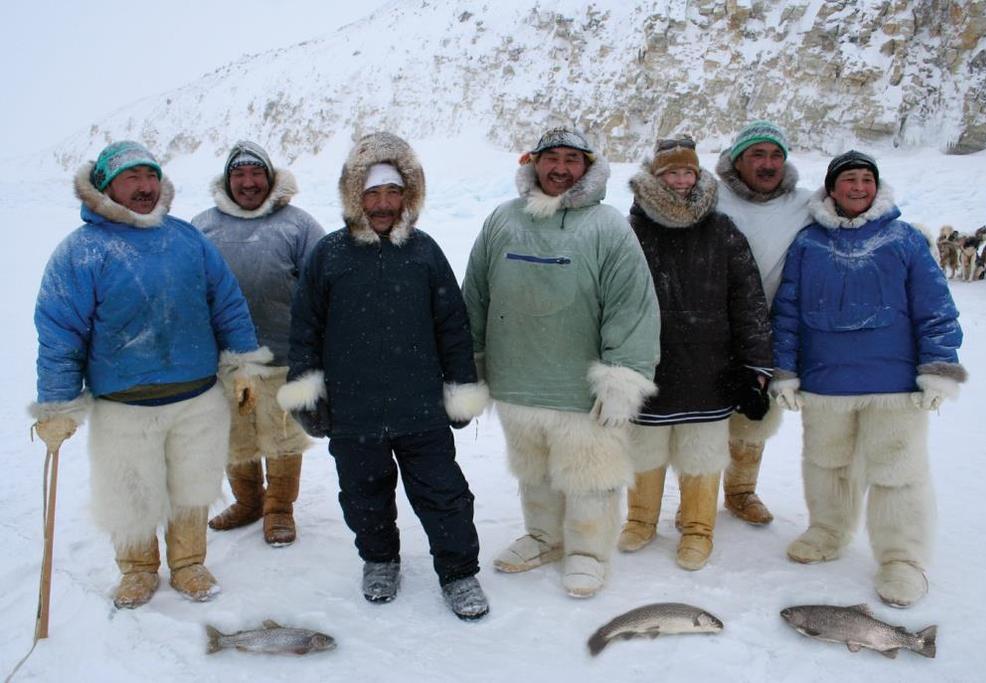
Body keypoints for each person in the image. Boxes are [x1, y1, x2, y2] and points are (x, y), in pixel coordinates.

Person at [31, 141, 269, 609]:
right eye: (131, 178)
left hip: (196, 394)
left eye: (151, 176)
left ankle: (188, 564)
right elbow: (60, 331)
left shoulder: (187, 240)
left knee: (191, 484)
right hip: (124, 403)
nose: (145, 187)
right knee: (131, 490)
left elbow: (227, 303)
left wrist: (243, 364)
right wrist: (57, 404)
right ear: (104, 186)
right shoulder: (81, 252)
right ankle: (137, 570)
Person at [277, 132, 491, 620]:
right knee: (364, 496)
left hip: (421, 407)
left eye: (393, 192)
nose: (383, 204)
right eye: (372, 193)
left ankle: (459, 573)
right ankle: (379, 560)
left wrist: (459, 388)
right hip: (354, 410)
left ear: (408, 195)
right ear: (355, 196)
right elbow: (305, 329)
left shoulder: (425, 252)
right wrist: (308, 392)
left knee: (445, 495)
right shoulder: (328, 255)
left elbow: (452, 325)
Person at [462, 127, 660, 598]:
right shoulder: (502, 221)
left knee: (590, 477)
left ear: (588, 167)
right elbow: (474, 296)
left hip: (579, 388)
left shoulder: (608, 226)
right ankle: (544, 537)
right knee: (533, 471)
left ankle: (589, 553)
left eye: (573, 159)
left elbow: (631, 307)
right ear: (534, 163)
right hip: (516, 379)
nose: (561, 169)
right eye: (552, 158)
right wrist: (469, 364)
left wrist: (623, 377)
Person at [770, 150, 965, 607]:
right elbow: (788, 313)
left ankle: (902, 558)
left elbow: (935, 308)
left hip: (893, 385)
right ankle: (828, 532)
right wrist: (785, 370)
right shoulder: (808, 244)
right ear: (831, 189)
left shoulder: (904, 239)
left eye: (866, 180)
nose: (859, 188)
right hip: (825, 382)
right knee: (826, 463)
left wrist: (938, 368)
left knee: (898, 473)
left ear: (877, 187)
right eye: (849, 180)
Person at [617, 136, 772, 570]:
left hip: (711, 365)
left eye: (687, 172)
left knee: (702, 454)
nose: (681, 180)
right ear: (655, 178)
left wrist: (755, 367)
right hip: (648, 363)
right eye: (671, 173)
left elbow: (749, 300)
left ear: (698, 175)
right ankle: (641, 520)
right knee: (644, 449)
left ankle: (698, 529)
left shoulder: (722, 230)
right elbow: (608, 300)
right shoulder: (631, 231)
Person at [193, 141, 325, 547]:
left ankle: (279, 509)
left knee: (282, 436)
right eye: (239, 175)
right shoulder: (202, 227)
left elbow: (323, 287)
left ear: (270, 178)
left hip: (284, 356)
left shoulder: (298, 226)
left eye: (256, 174)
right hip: (227, 361)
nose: (248, 183)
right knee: (235, 436)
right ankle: (248, 501)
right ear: (227, 180)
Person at [708, 120, 814, 525]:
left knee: (754, 415)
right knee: (704, 416)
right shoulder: (713, 197)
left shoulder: (803, 204)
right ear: (737, 160)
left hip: (767, 328)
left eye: (775, 155)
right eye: (757, 154)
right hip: (712, 326)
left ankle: (740, 491)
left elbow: (854, 208)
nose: (767, 164)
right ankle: (695, 499)